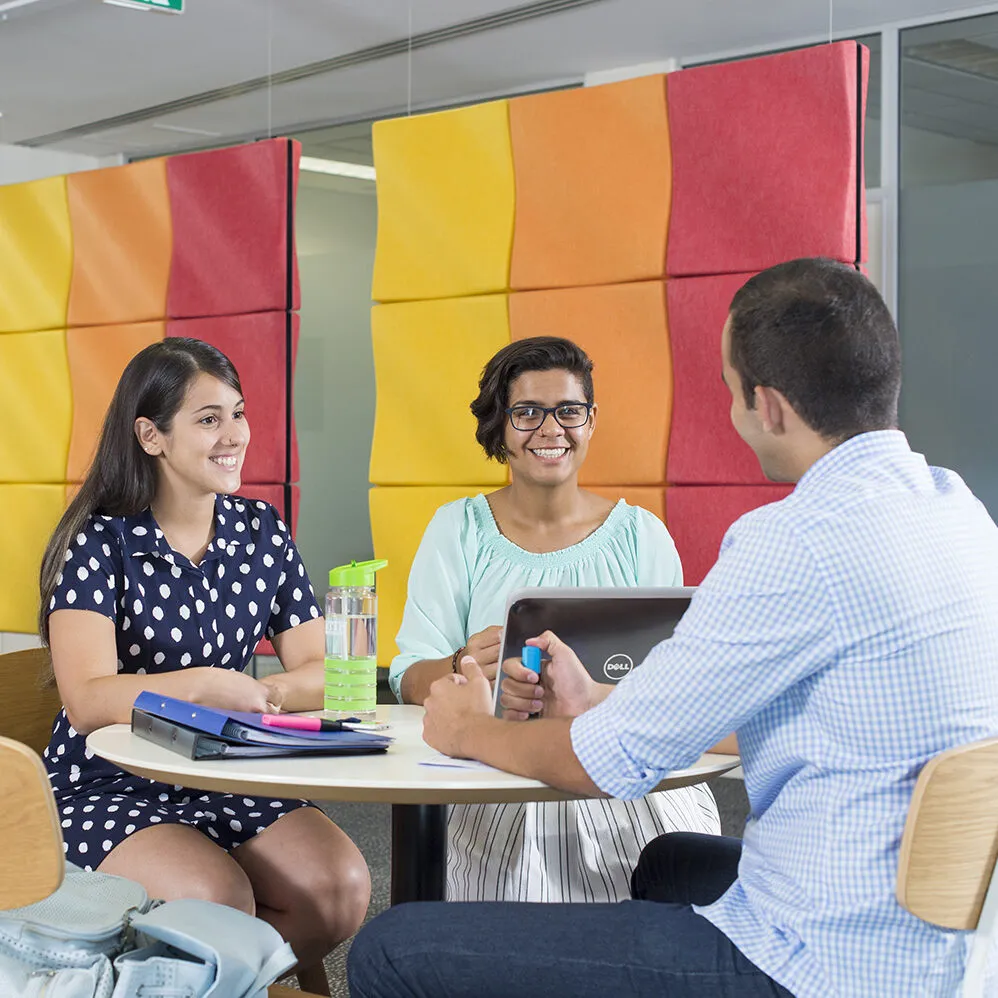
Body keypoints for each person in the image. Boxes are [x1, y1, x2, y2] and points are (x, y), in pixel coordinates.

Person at [348, 258, 998, 998]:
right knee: (665, 863)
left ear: (771, 405)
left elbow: (613, 764)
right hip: (940, 945)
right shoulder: (961, 514)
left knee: (392, 947)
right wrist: (597, 701)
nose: (731, 415)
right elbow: (709, 717)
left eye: (731, 394)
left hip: (816, 957)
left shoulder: (792, 540)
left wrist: (467, 732)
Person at [39, 338, 369, 997]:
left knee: (340, 889)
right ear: (150, 436)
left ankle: (199, 984)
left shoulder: (262, 530)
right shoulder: (97, 540)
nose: (234, 436)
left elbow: (324, 669)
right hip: (111, 782)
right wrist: (202, 690)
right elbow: (88, 699)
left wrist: (261, 692)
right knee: (217, 898)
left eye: (238, 414)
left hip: (225, 770)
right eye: (208, 419)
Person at [391, 335, 720, 903]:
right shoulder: (457, 528)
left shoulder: (642, 535)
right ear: (501, 427)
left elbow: (681, 683)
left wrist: (593, 695)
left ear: (590, 422)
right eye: (527, 412)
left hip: (627, 775)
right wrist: (464, 664)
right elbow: (408, 678)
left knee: (673, 902)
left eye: (569, 410)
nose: (550, 429)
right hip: (501, 777)